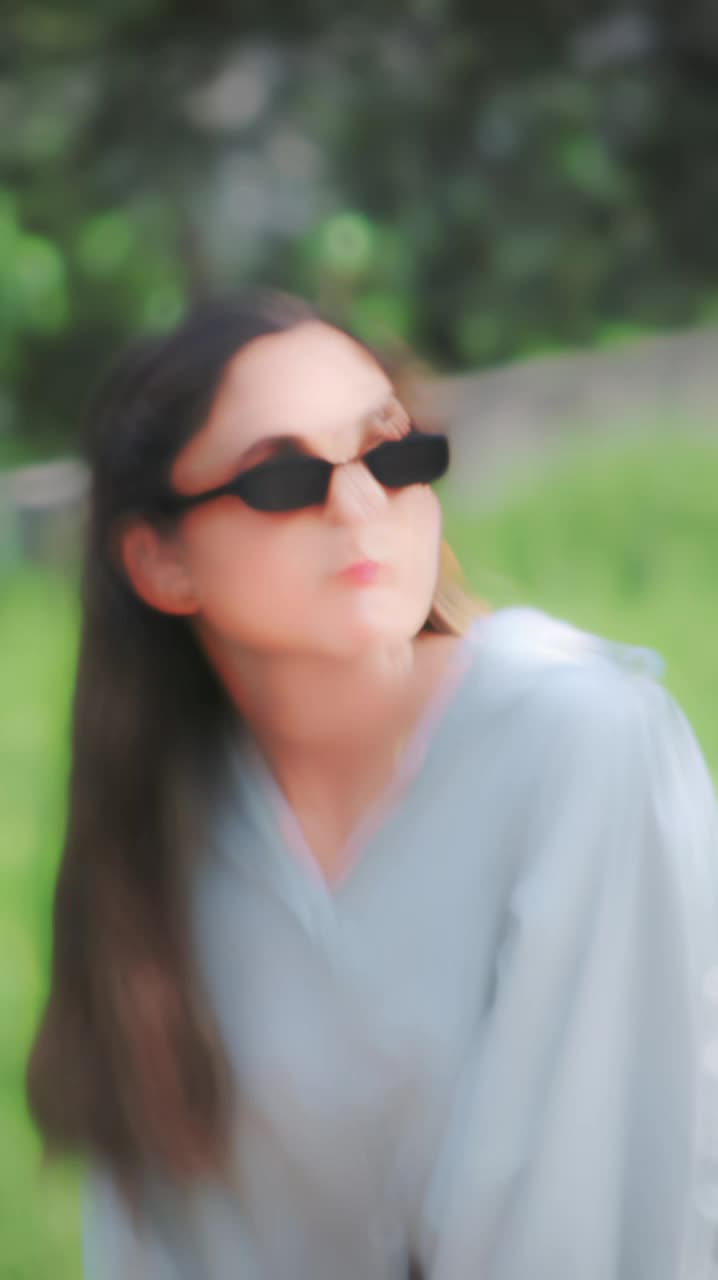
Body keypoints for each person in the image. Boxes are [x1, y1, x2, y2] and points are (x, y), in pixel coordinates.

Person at [26, 289, 718, 1280]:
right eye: (282, 478)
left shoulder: (580, 740)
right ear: (160, 559)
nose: (359, 507)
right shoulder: (161, 826)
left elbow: (584, 1217)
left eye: (392, 456)